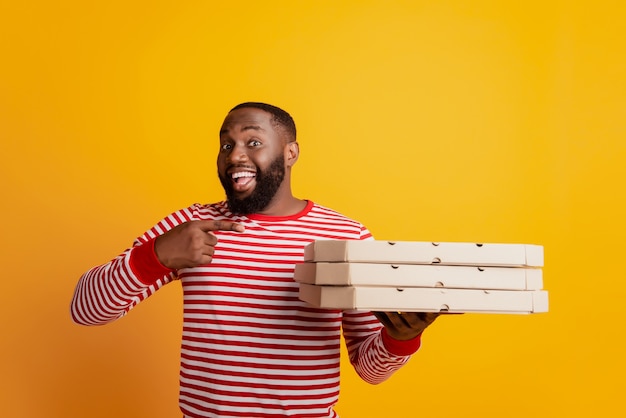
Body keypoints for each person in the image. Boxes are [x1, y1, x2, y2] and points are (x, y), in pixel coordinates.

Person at [70, 102, 440, 418]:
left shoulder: (347, 236)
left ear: (290, 153)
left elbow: (370, 370)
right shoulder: (191, 226)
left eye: (253, 142)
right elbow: (86, 310)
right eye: (226, 144)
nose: (234, 155)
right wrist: (156, 256)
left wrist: (400, 338)